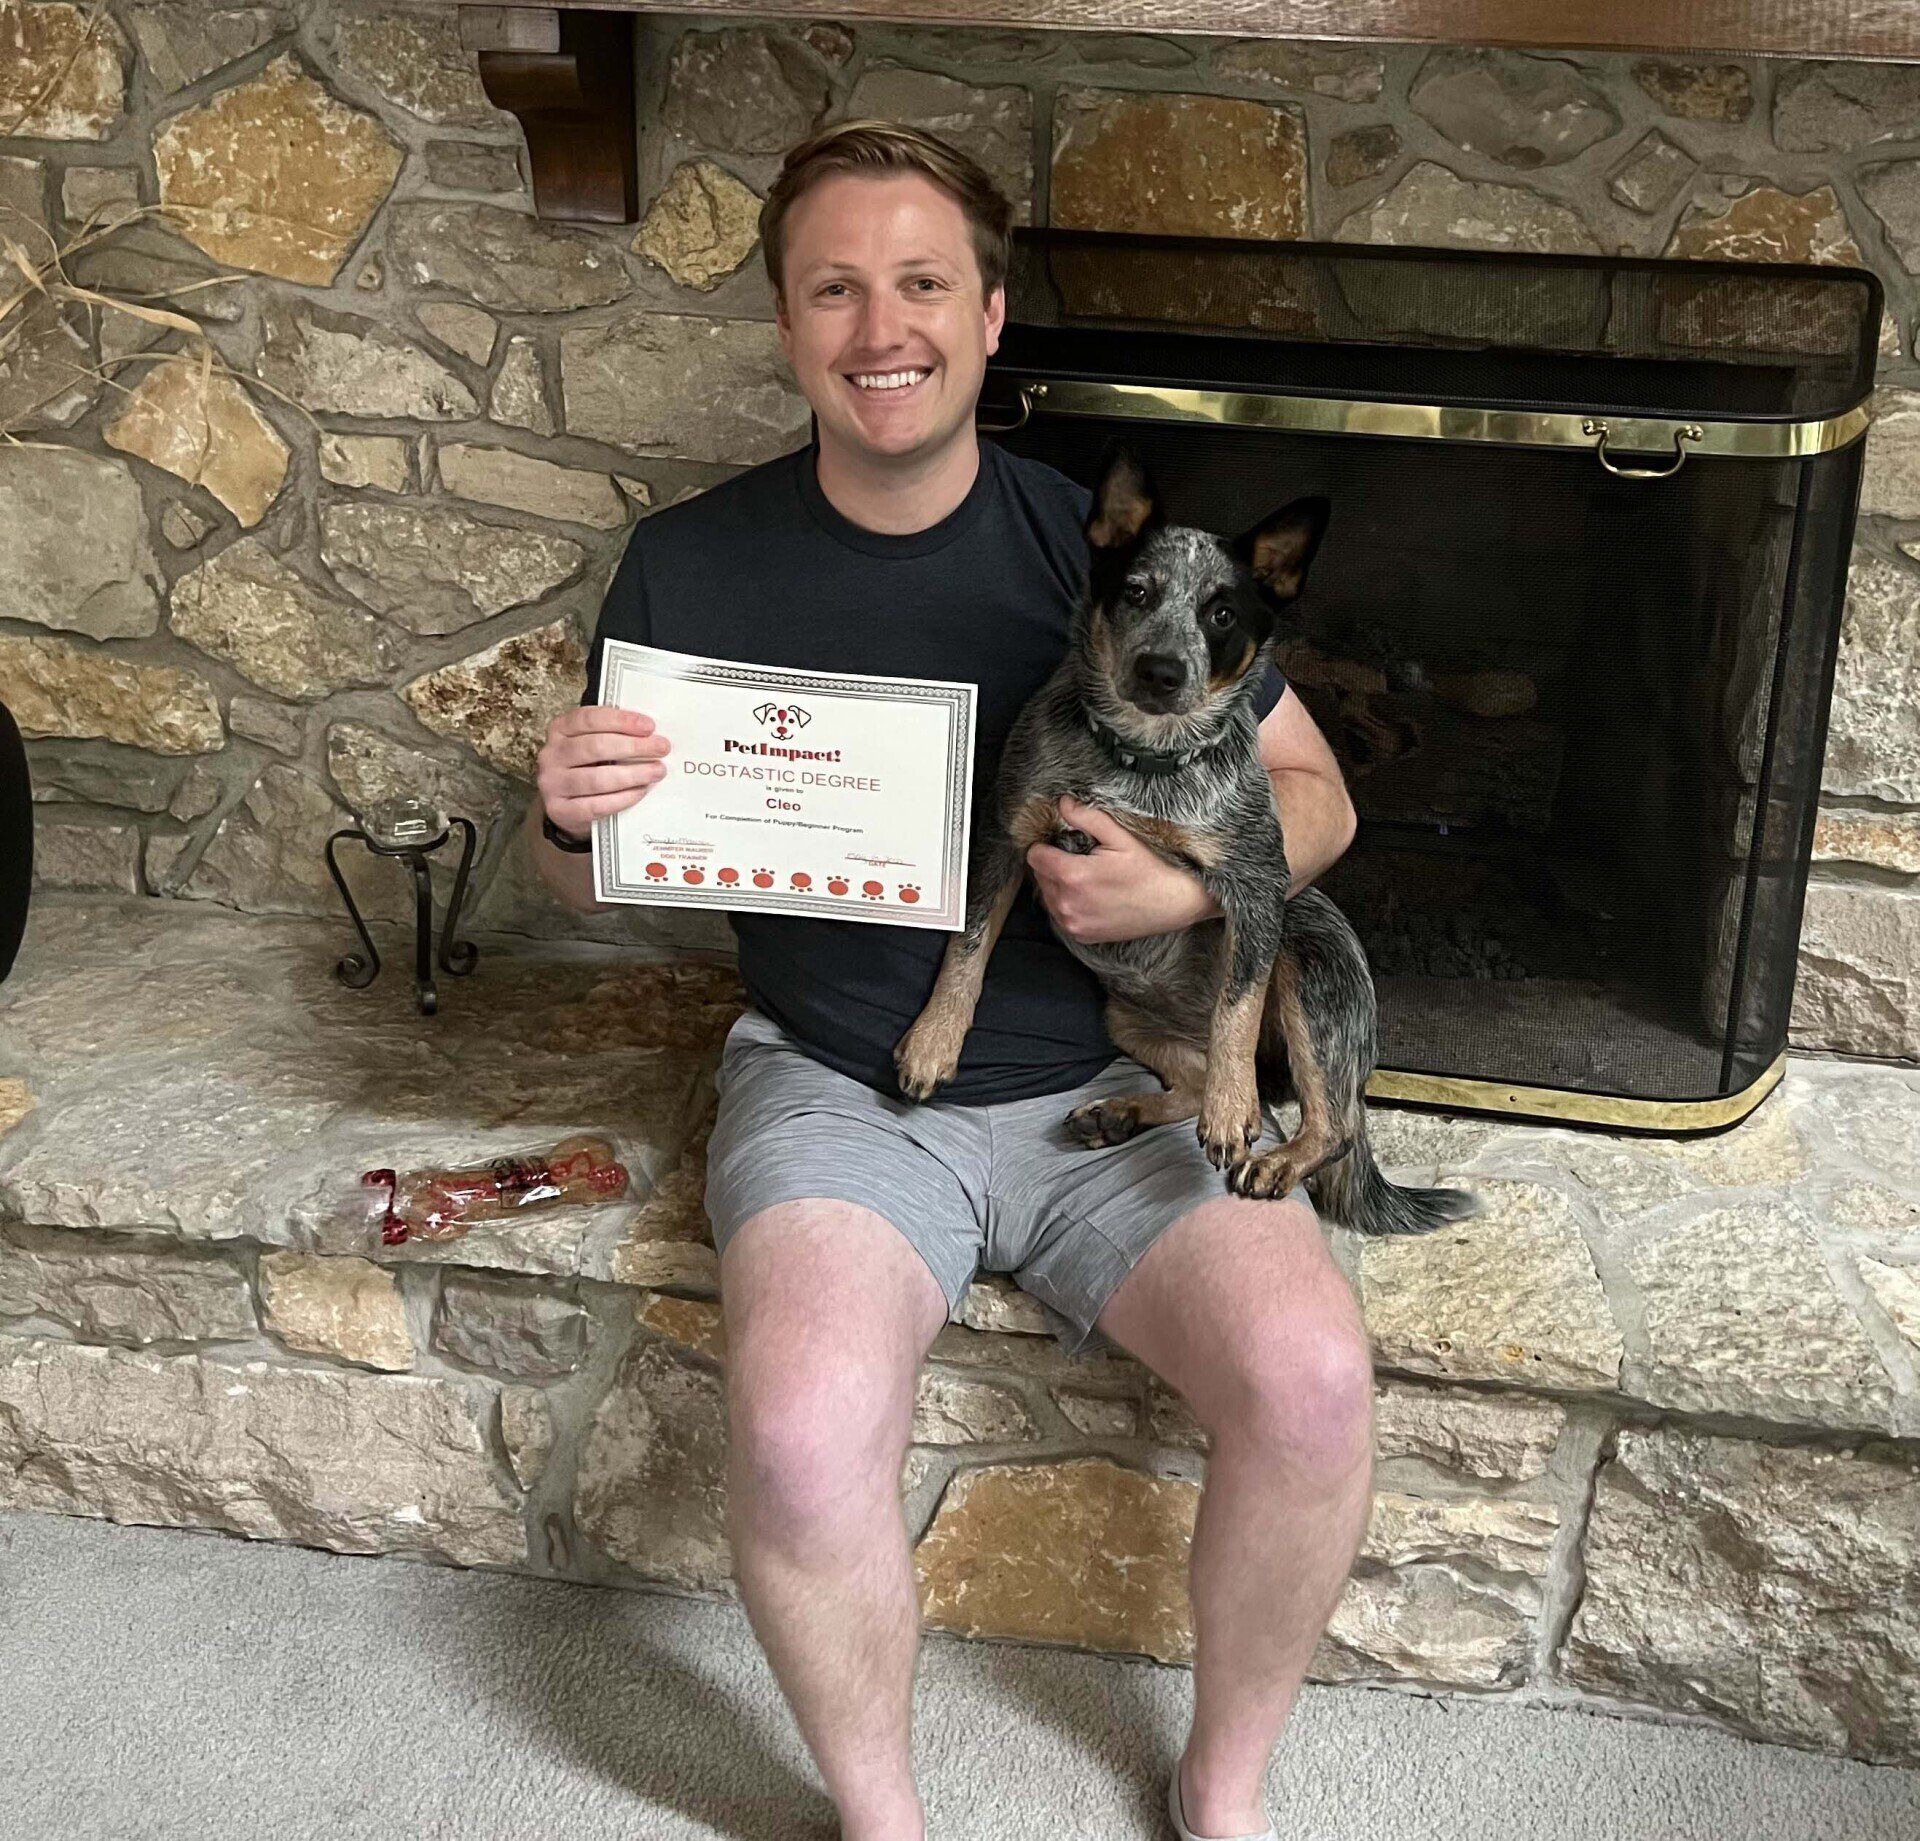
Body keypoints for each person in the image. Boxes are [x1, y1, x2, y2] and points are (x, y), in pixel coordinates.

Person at [528, 121, 1369, 1841]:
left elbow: (1323, 795)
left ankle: (1223, 1791)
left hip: (1113, 1077)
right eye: (832, 287)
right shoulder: (686, 565)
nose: (878, 324)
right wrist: (559, 815)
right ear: (784, 325)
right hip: (839, 1076)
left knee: (1314, 1382)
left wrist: (1180, 867)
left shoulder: (1111, 551)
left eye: (921, 282)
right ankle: (884, 1816)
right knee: (797, 1427)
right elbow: (586, 879)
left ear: (989, 318)